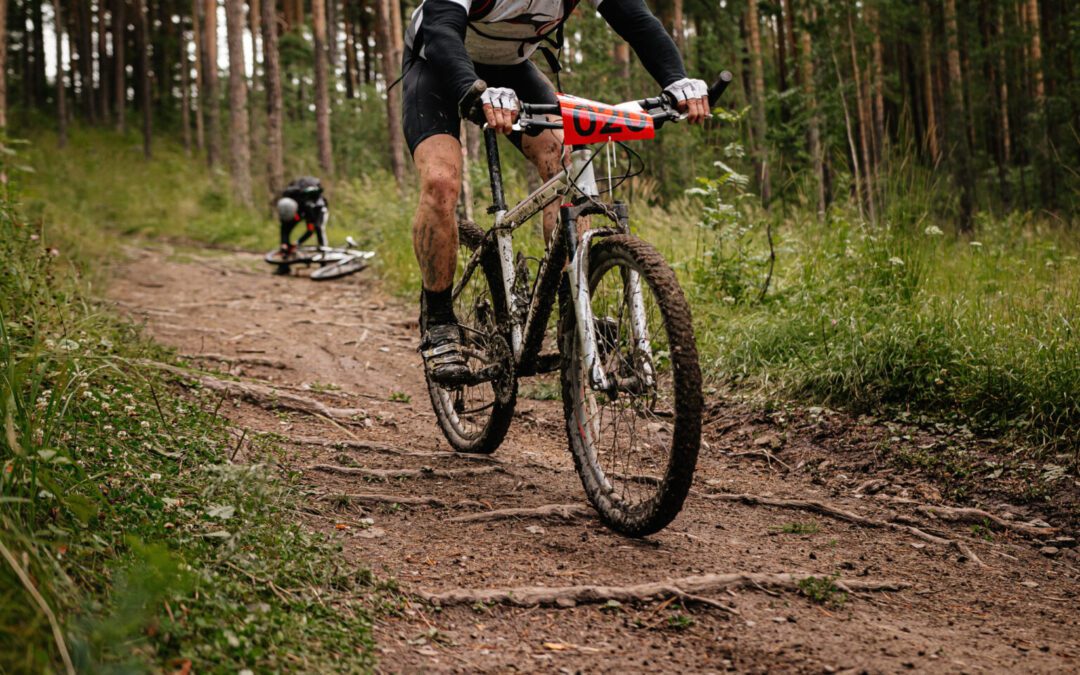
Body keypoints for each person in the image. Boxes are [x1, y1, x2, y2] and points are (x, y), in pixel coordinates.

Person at [404, 0, 711, 384]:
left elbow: (636, 20)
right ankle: (439, 321)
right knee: (440, 182)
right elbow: (441, 28)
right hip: (436, 63)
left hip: (511, 68)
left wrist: (676, 80)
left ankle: (573, 307)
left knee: (565, 161)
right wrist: (472, 90)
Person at [274, 176, 330, 275]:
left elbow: (310, 230)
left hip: (316, 211)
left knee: (318, 229)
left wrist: (298, 242)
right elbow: (284, 229)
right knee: (286, 233)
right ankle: (284, 266)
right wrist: (284, 243)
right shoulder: (285, 204)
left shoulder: (309, 206)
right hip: (297, 210)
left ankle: (324, 263)